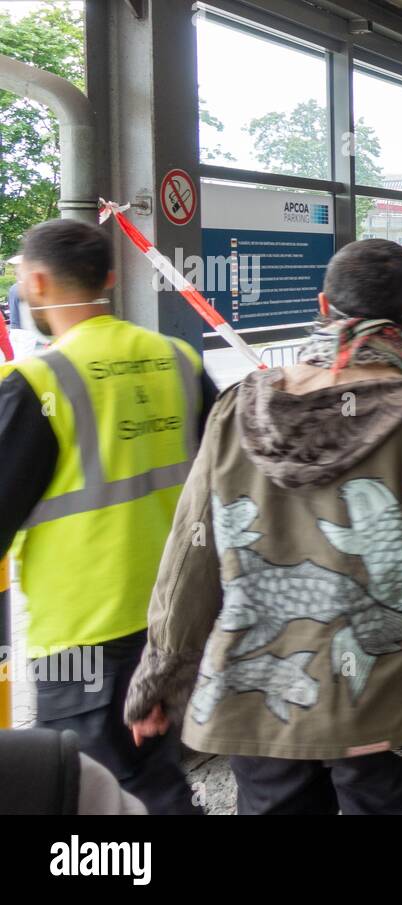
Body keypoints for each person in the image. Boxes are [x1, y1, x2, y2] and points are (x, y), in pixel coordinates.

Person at [126, 239, 402, 815]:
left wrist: (159, 679)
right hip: (393, 702)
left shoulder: (239, 409)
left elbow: (190, 557)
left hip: (260, 702)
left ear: (323, 305)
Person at [0, 219, 216, 815]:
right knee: (153, 771)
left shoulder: (35, 383)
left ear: (37, 284)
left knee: (95, 794)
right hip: (175, 619)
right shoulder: (178, 360)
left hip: (81, 636)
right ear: (112, 279)